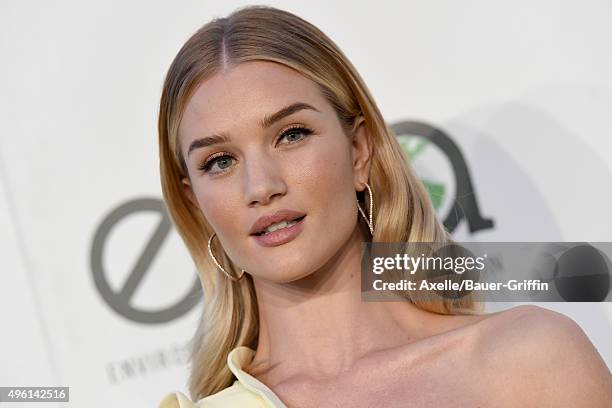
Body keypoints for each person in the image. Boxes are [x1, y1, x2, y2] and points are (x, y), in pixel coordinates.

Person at [156, 5, 612, 407]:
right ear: (195, 203)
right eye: (219, 162)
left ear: (358, 150)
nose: (261, 186)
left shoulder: (530, 361)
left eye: (291, 134)